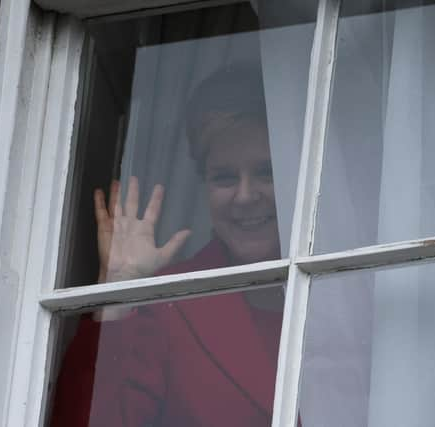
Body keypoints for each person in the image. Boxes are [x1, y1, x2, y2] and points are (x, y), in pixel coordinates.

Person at [50, 63, 286, 427]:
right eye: (224, 177)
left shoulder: (352, 291)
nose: (245, 195)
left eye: (266, 172)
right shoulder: (170, 302)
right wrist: (118, 292)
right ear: (203, 185)